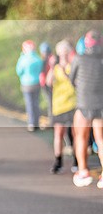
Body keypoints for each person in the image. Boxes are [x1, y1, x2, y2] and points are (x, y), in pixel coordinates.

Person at [68, 30, 103, 188]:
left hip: (83, 104)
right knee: (101, 140)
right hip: (101, 105)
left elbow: (72, 80)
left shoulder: (79, 58)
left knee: (81, 138)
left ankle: (83, 172)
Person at [46, 39, 77, 174]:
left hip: (73, 105)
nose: (63, 56)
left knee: (76, 134)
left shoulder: (73, 66)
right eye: (61, 53)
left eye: (65, 53)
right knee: (58, 133)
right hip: (59, 106)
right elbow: (48, 82)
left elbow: (73, 82)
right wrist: (53, 67)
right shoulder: (56, 68)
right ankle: (58, 161)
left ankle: (77, 160)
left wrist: (64, 69)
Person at [16, 40, 44, 132]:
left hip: (26, 84)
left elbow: (19, 71)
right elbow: (41, 69)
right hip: (36, 83)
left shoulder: (23, 59)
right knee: (36, 103)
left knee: (29, 104)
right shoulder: (37, 58)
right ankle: (37, 122)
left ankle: (31, 123)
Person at [39, 42, 55, 123]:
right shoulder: (52, 58)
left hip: (48, 84)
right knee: (51, 102)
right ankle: (52, 120)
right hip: (48, 84)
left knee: (50, 103)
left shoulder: (45, 60)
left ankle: (52, 120)